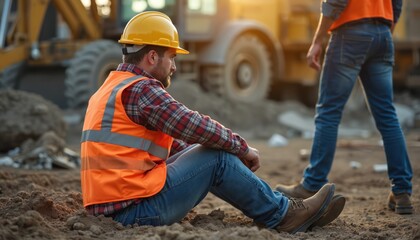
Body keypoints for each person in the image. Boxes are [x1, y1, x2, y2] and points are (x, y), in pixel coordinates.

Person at [80, 11, 344, 233]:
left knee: (214, 154)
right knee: (216, 157)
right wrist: (239, 148)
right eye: (171, 57)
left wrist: (218, 156)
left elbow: (172, 147)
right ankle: (282, 215)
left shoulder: (110, 89)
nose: (173, 67)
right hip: (134, 212)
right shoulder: (142, 89)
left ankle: (281, 207)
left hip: (113, 210)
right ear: (151, 57)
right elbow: (191, 124)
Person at [276, 0, 413, 214]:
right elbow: (397, 3)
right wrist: (384, 29)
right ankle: (402, 191)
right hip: (383, 34)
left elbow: (335, 1)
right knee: (387, 116)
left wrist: (317, 40)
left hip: (349, 34)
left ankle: (312, 184)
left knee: (328, 114)